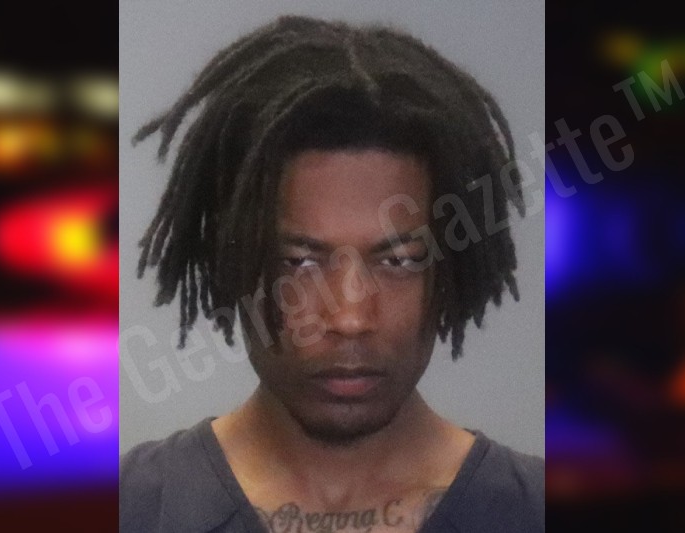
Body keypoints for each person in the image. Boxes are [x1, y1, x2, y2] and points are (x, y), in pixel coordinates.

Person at [120, 15, 543, 533]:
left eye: (399, 260)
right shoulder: (132, 508)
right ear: (230, 264)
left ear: (456, 271)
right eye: (300, 262)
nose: (349, 317)